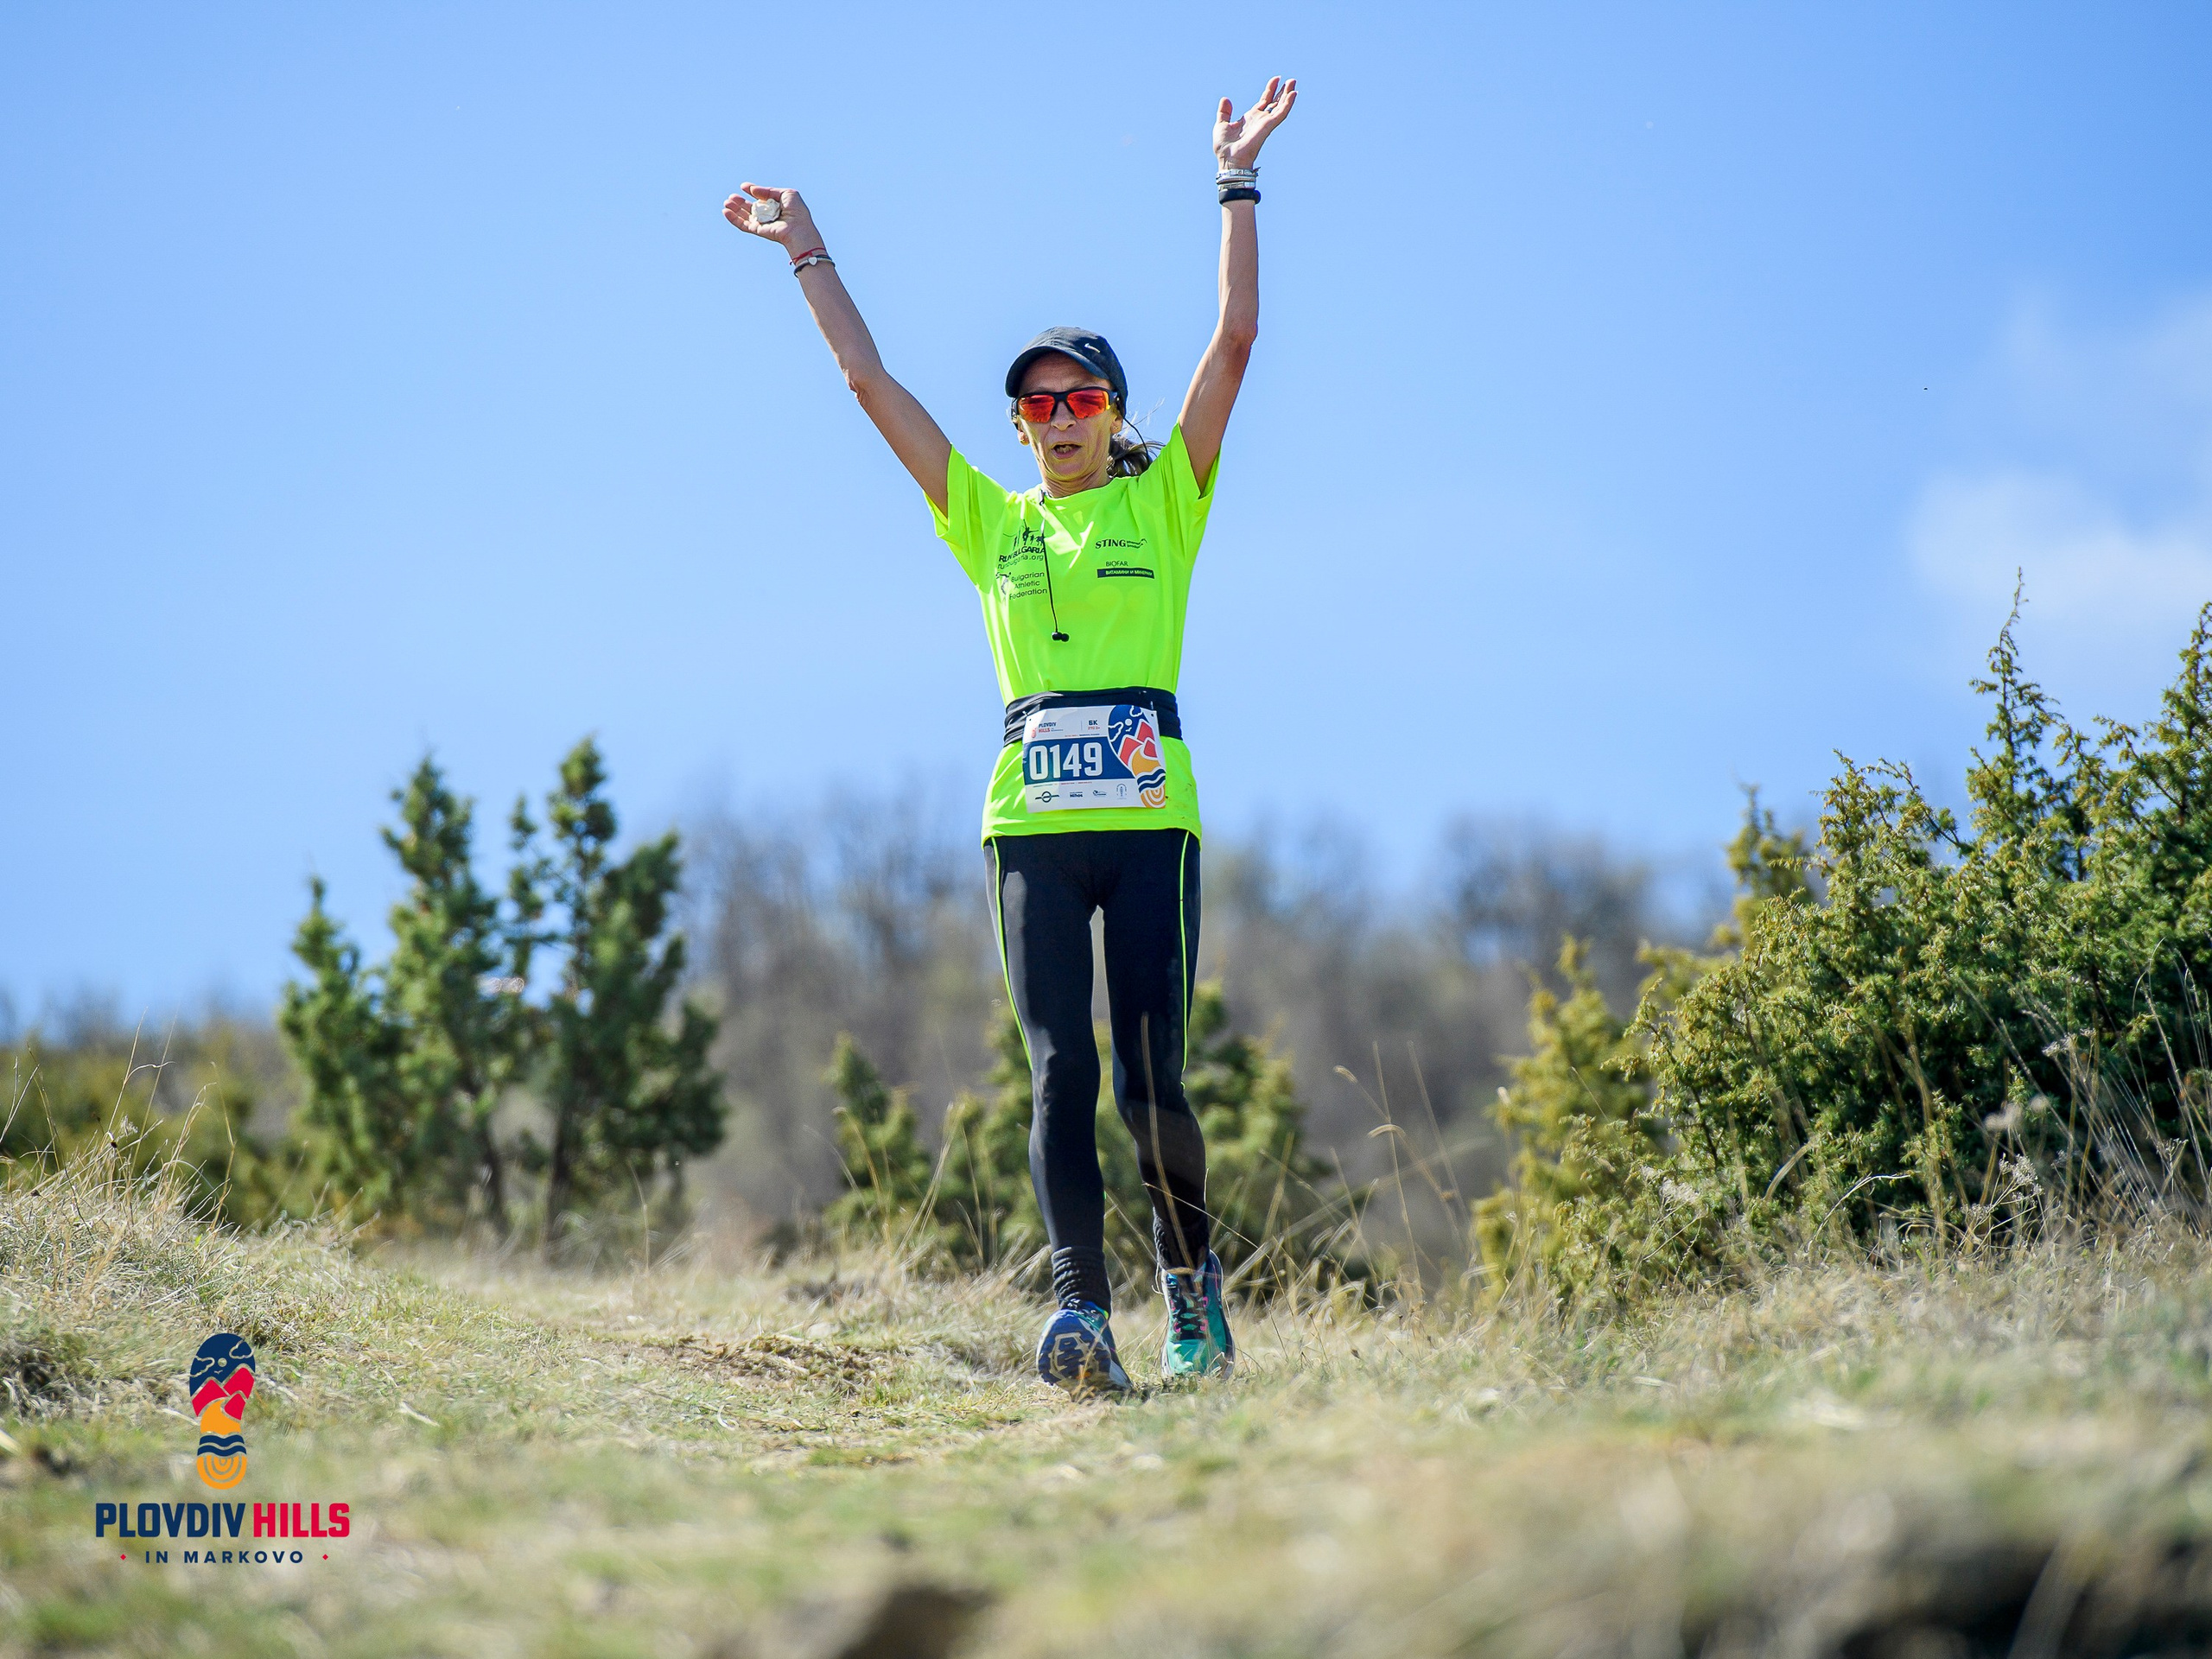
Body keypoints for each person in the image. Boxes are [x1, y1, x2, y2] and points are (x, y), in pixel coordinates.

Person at [724, 78, 1298, 1393]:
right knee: (1057, 1071)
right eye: (1032, 406)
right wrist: (808, 248)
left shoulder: (1168, 506)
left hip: (1148, 819)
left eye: (1075, 400)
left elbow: (1238, 340)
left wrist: (1238, 181)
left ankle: (1191, 1298)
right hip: (1032, 828)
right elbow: (871, 385)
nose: (1052, 421)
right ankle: (1079, 1314)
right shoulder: (993, 523)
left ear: (1113, 412)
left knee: (1153, 1071)